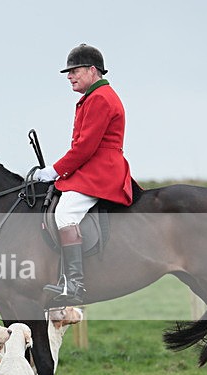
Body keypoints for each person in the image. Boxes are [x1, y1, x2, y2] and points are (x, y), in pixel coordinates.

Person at [33, 43, 134, 305]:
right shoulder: (94, 97)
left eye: (74, 70)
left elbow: (85, 147)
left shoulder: (100, 98)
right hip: (93, 167)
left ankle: (75, 285)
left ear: (92, 70)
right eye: (68, 72)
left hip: (101, 171)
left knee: (64, 213)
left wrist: (54, 170)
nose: (69, 76)